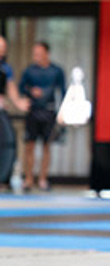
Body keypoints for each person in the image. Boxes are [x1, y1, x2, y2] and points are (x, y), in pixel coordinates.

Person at [19, 41, 65, 192]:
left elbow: (62, 91)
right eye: (34, 54)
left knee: (46, 146)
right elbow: (20, 88)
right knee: (29, 145)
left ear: (47, 53)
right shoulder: (29, 71)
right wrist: (31, 91)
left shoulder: (56, 71)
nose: (36, 57)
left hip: (49, 111)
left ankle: (43, 179)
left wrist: (63, 113)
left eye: (39, 53)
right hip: (33, 112)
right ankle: (28, 179)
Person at [0, 36, 30, 189]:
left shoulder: (6, 68)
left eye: (4, 48)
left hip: (1, 109)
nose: (2, 51)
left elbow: (11, 88)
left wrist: (19, 102)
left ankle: (3, 177)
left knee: (6, 143)